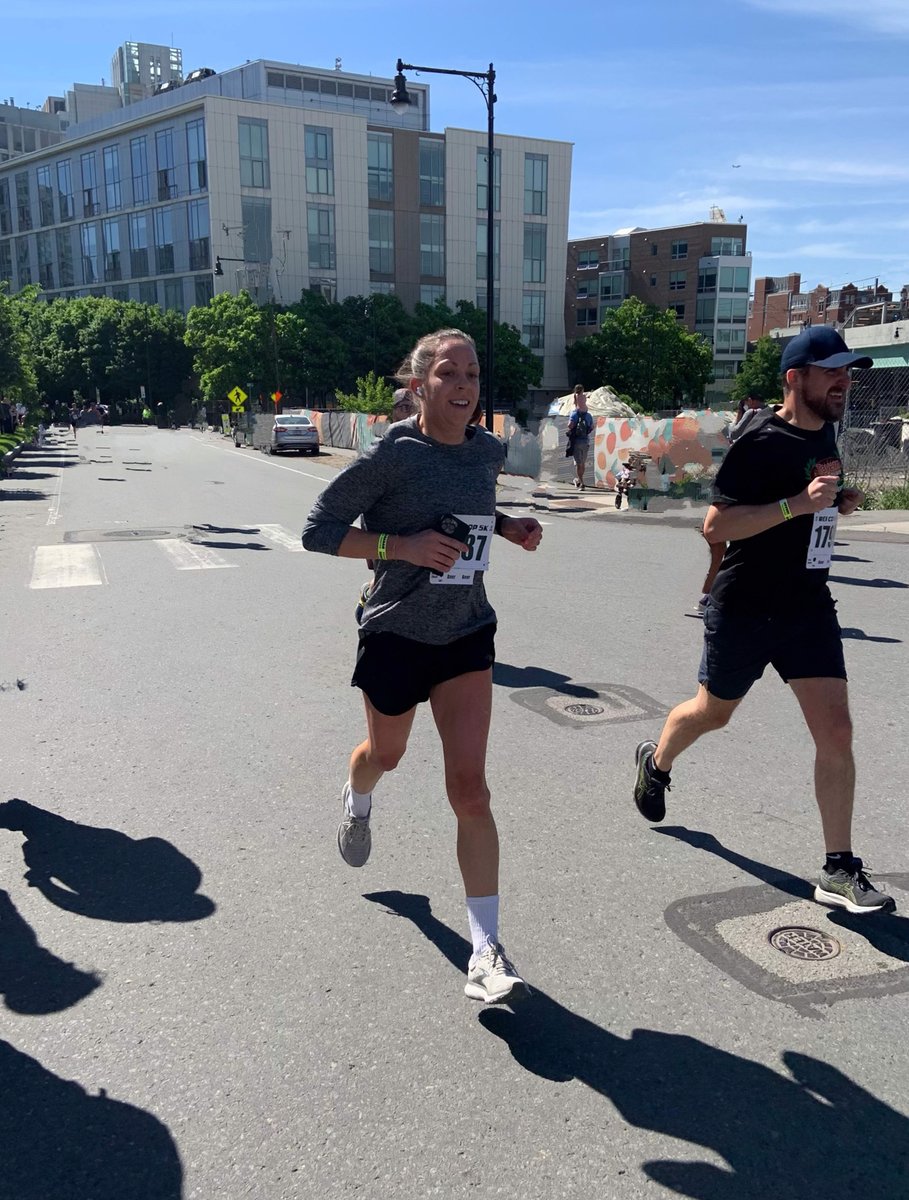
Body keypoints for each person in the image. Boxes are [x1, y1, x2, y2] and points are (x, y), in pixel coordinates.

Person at [302, 329, 544, 1003]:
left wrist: (505, 526)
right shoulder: (393, 454)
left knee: (471, 791)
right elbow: (318, 530)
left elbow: (469, 504)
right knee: (386, 754)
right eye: (447, 374)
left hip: (466, 631)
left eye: (471, 373)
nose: (463, 385)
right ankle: (358, 797)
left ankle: (486, 951)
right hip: (396, 632)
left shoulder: (486, 451)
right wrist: (399, 545)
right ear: (419, 386)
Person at [632, 325, 895, 915]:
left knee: (837, 732)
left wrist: (837, 499)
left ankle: (838, 866)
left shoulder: (827, 429)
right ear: (794, 378)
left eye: (847, 371)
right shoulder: (757, 438)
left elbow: (814, 495)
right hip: (745, 606)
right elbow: (715, 526)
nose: (843, 381)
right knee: (712, 713)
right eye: (831, 371)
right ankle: (657, 762)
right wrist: (798, 504)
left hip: (806, 604)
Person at [567, 385, 594, 490]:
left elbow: (570, 425)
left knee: (578, 464)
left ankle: (581, 482)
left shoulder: (574, 414)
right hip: (585, 441)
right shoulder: (589, 415)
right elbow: (591, 427)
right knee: (582, 463)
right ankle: (579, 480)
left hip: (576, 441)